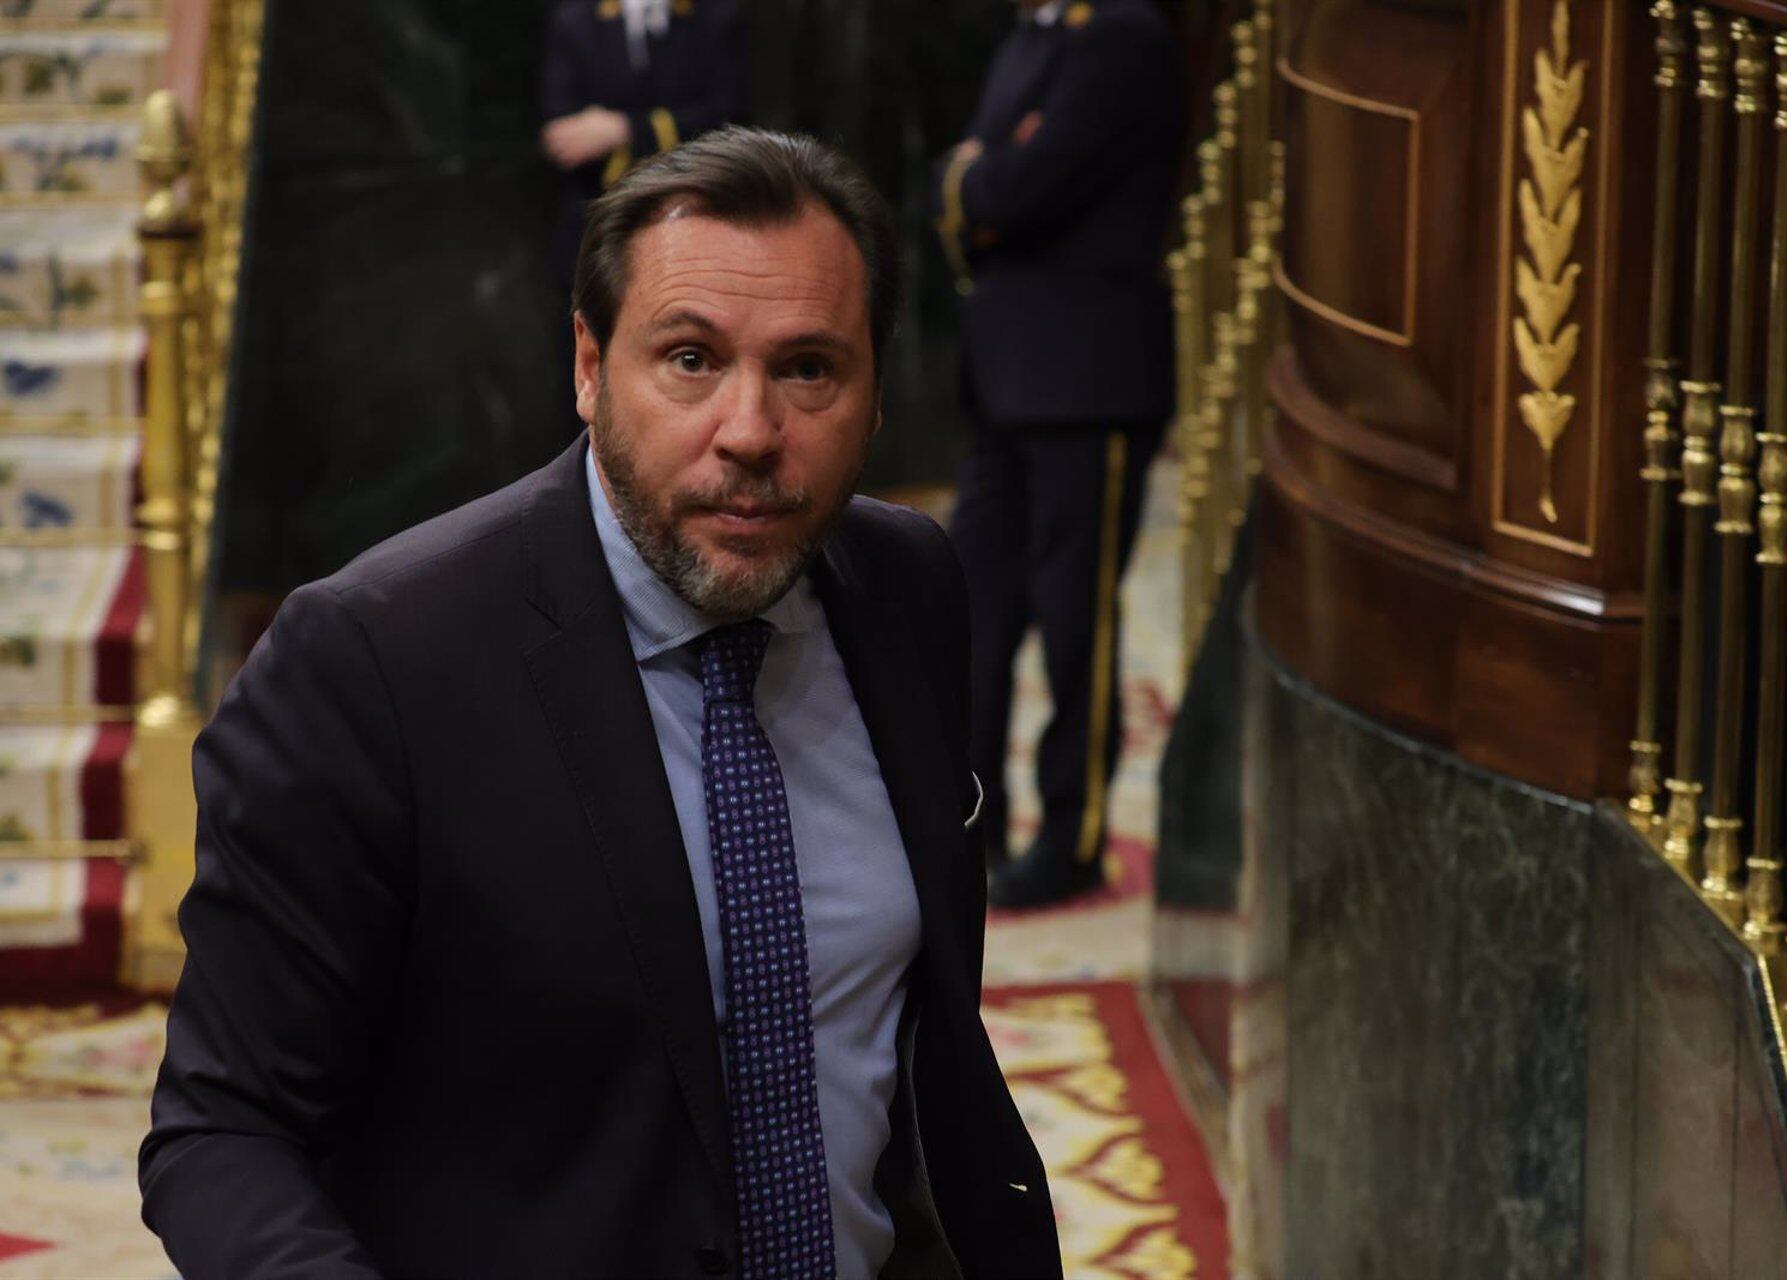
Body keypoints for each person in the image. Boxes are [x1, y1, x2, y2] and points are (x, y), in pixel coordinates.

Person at [139, 128, 1060, 1280]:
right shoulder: (371, 660)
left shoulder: (907, 584)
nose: (749, 430)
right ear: (587, 365)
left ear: (878, 390)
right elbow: (224, 1132)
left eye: (809, 367)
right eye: (689, 358)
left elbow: (918, 1050)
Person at [936, 0, 1181, 908]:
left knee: (1077, 621)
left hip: (1091, 380)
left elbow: (1008, 189)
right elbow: (964, 183)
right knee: (973, 610)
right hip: (1004, 370)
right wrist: (985, 173)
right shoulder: (1032, 35)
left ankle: (1071, 837)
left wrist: (986, 174)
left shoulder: (1124, 35)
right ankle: (971, 819)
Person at [540, 0, 748, 291]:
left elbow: (725, 118)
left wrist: (624, 130)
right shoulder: (575, 21)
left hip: (694, 211)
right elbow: (564, 136)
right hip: (596, 217)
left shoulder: (715, 17)